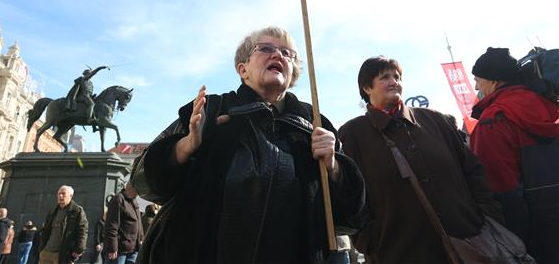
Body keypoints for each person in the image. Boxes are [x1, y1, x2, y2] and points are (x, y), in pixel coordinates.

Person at [131, 26, 366, 263]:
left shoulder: (314, 123)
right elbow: (143, 183)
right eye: (266, 48)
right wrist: (186, 146)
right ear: (243, 69)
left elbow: (351, 218)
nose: (278, 55)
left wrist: (334, 167)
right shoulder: (211, 111)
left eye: (287, 53)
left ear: (293, 72)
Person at [338, 56, 503, 264]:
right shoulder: (353, 134)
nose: (394, 81)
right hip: (400, 253)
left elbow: (473, 171)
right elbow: (351, 195)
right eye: (385, 77)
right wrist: (370, 241)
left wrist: (487, 217)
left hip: (470, 244)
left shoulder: (437, 121)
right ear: (366, 87)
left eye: (397, 76)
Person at [470, 47, 559, 264]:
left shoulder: (493, 121)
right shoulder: (550, 107)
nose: (476, 86)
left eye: (478, 80)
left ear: (494, 81)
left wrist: (515, 245)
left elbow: (503, 194)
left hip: (535, 241)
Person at [39, 185, 88, 264]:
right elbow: (45, 229)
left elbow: (82, 231)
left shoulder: (77, 211)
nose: (60, 196)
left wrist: (79, 249)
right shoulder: (52, 211)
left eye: (63, 194)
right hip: (46, 252)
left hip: (63, 253)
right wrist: (41, 248)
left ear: (71, 196)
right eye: (59, 194)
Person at [104, 182, 143, 264]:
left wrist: (141, 239)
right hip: (120, 250)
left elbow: (139, 223)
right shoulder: (118, 199)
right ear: (131, 187)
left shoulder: (134, 201)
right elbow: (111, 225)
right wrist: (112, 247)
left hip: (134, 249)